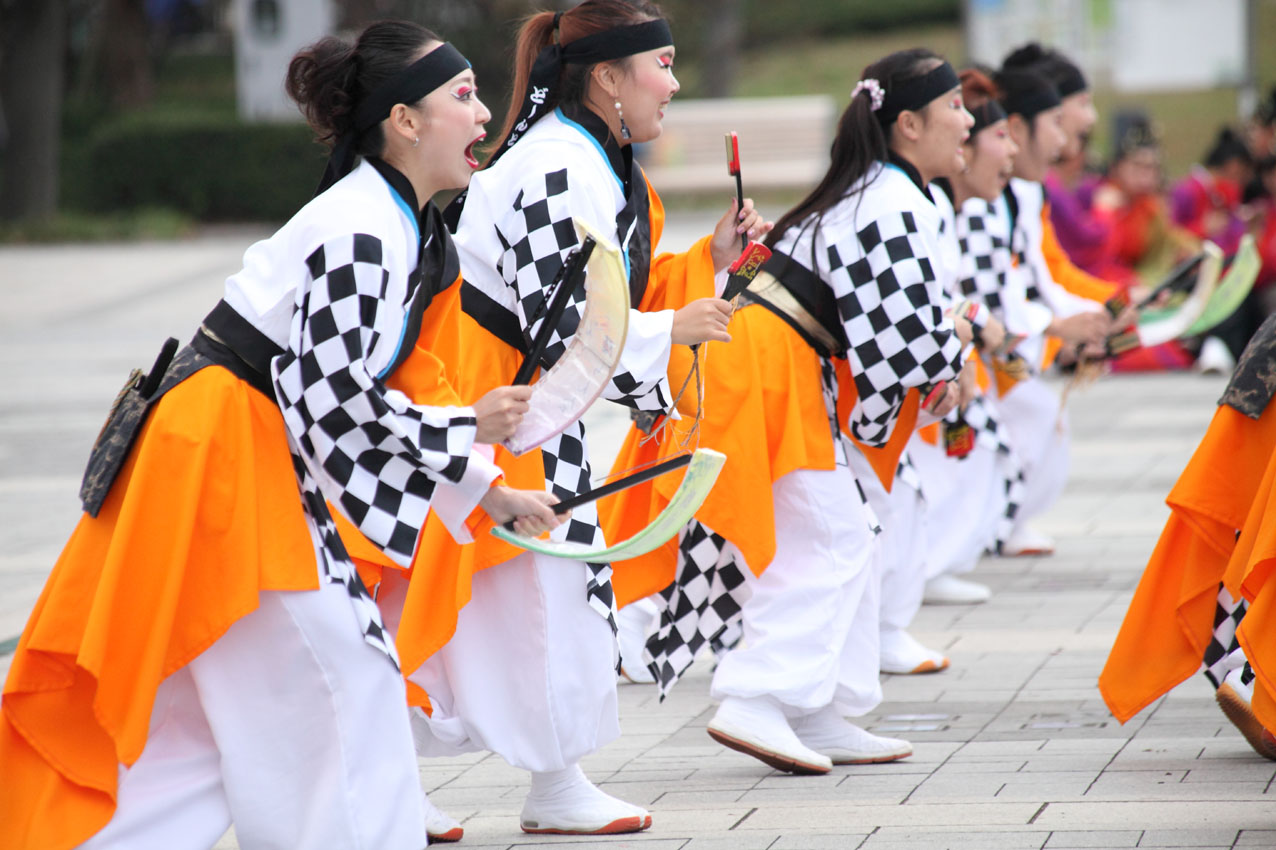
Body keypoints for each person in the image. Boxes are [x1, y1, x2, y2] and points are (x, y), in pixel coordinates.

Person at [0, 20, 564, 850]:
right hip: (224, 458)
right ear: (405, 121)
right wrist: (466, 431)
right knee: (340, 676)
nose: (485, 116)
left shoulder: (382, 218)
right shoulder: (365, 228)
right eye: (465, 96)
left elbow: (354, 395)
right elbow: (333, 398)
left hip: (225, 450)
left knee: (204, 715)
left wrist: (489, 488)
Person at [338, 0, 760, 836]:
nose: (672, 84)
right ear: (608, 77)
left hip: (518, 408)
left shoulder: (588, 159)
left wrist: (701, 268)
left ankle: (473, 781)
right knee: (510, 597)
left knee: (526, 598)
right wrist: (672, 327)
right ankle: (463, 782)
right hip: (481, 403)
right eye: (662, 66)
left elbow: (597, 303)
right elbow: (562, 318)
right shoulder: (562, 165)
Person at [603, 47, 969, 775]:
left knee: (844, 535)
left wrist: (943, 358)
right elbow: (900, 335)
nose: (966, 121)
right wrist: (947, 362)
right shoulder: (888, 198)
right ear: (908, 125)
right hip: (760, 364)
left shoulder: (887, 192)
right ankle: (759, 698)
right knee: (835, 537)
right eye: (954, 107)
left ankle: (814, 706)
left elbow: (895, 331)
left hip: (772, 362)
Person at [1102, 312, 1276, 761]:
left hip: (1262, 374)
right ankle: (1256, 679)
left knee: (1250, 536)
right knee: (1256, 535)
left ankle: (1249, 673)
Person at [987, 64, 1113, 557]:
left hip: (999, 343)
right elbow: (991, 291)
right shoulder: (988, 195)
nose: (1064, 139)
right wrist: (1062, 327)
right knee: (1031, 414)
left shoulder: (1021, 191)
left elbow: (1036, 277)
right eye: (1057, 120)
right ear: (1017, 128)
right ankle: (988, 531)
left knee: (1042, 416)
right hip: (975, 354)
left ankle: (993, 529)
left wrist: (1098, 312)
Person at [917, 67, 1022, 606]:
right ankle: (927, 570)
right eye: (1000, 136)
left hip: (942, 353)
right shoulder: (922, 205)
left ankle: (936, 565)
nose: (1013, 150)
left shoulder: (958, 207)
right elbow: (939, 301)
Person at [1174, 127, 1260, 371]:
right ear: (1233, 167)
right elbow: (1170, 235)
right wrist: (1201, 229)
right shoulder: (1188, 190)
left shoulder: (1219, 192)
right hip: (1192, 270)